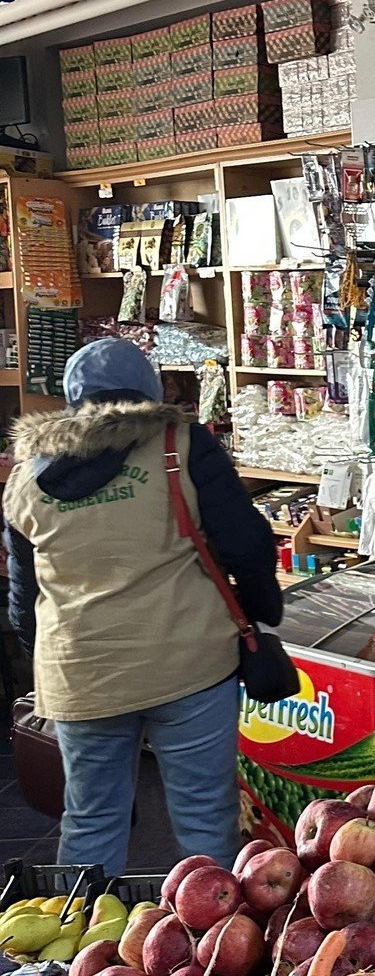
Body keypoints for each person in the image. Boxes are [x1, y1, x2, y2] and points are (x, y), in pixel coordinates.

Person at [3, 339, 283, 875]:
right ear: (151, 390)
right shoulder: (180, 443)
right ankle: (218, 946)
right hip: (190, 664)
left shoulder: (26, 475)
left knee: (89, 819)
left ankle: (78, 951)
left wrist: (49, 661)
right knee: (205, 819)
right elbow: (246, 543)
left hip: (81, 672)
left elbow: (24, 598)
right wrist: (260, 611)